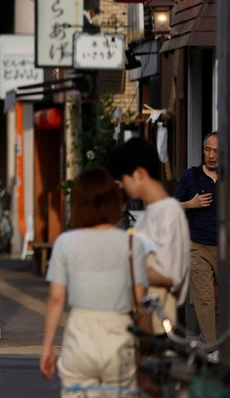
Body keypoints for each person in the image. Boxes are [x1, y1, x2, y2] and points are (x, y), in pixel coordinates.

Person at [40, 168, 148, 396]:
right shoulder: (131, 245)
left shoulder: (66, 243)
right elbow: (140, 300)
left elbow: (57, 298)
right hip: (119, 335)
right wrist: (146, 349)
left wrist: (48, 346)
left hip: (80, 335)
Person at [106, 136, 190, 333]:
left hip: (159, 326)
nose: (122, 186)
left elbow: (170, 275)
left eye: (123, 179)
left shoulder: (170, 211)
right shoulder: (147, 214)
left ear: (139, 174)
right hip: (142, 323)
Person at [174, 132, 218, 343]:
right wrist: (190, 204)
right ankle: (212, 348)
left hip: (227, 248)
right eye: (207, 149)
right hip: (197, 246)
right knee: (204, 299)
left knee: (229, 299)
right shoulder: (190, 176)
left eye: (217, 151)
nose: (211, 155)